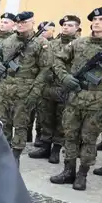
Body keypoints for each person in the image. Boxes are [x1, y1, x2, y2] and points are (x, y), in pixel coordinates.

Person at [50, 7, 102, 190]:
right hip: (75, 97)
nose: (97, 23)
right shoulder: (79, 43)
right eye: (95, 20)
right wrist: (64, 77)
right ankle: (68, 171)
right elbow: (57, 59)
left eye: (101, 20)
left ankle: (82, 174)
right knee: (70, 135)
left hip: (98, 103)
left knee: (89, 139)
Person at [0, 11, 47, 165]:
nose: (21, 25)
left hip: (25, 91)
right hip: (5, 89)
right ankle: (2, 153)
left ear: (32, 22)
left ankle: (16, 155)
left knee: (20, 125)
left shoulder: (40, 43)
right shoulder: (8, 41)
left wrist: (35, 91)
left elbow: (45, 69)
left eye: (24, 22)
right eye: (18, 23)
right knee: (2, 122)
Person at [29, 15, 81, 163]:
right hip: (49, 87)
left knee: (61, 120)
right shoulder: (53, 43)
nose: (66, 27)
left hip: (65, 88)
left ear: (77, 28)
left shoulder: (79, 45)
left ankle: (56, 149)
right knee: (46, 117)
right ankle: (45, 147)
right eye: (64, 24)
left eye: (70, 25)